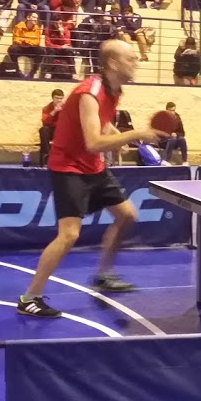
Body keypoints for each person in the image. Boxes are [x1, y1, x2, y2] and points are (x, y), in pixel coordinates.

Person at [17, 40, 164, 317]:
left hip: (93, 167)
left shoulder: (114, 90)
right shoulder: (90, 91)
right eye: (131, 58)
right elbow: (94, 142)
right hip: (69, 166)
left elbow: (102, 122)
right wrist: (135, 134)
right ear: (113, 63)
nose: (136, 62)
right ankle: (29, 297)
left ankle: (103, 275)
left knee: (127, 215)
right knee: (69, 234)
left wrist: (118, 137)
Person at [9, 12, 46, 78]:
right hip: (21, 48)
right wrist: (29, 41)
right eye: (34, 17)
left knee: (41, 50)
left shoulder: (37, 28)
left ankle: (33, 72)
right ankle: (17, 71)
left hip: (31, 48)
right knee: (12, 49)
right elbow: (16, 39)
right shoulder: (19, 26)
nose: (36, 19)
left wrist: (25, 40)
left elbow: (37, 42)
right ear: (28, 18)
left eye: (37, 18)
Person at [40, 88, 64, 165]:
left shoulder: (65, 108)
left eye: (61, 98)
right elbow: (45, 122)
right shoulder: (47, 108)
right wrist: (54, 111)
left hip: (61, 130)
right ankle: (47, 155)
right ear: (53, 98)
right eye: (57, 98)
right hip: (51, 130)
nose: (59, 100)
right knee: (43, 130)